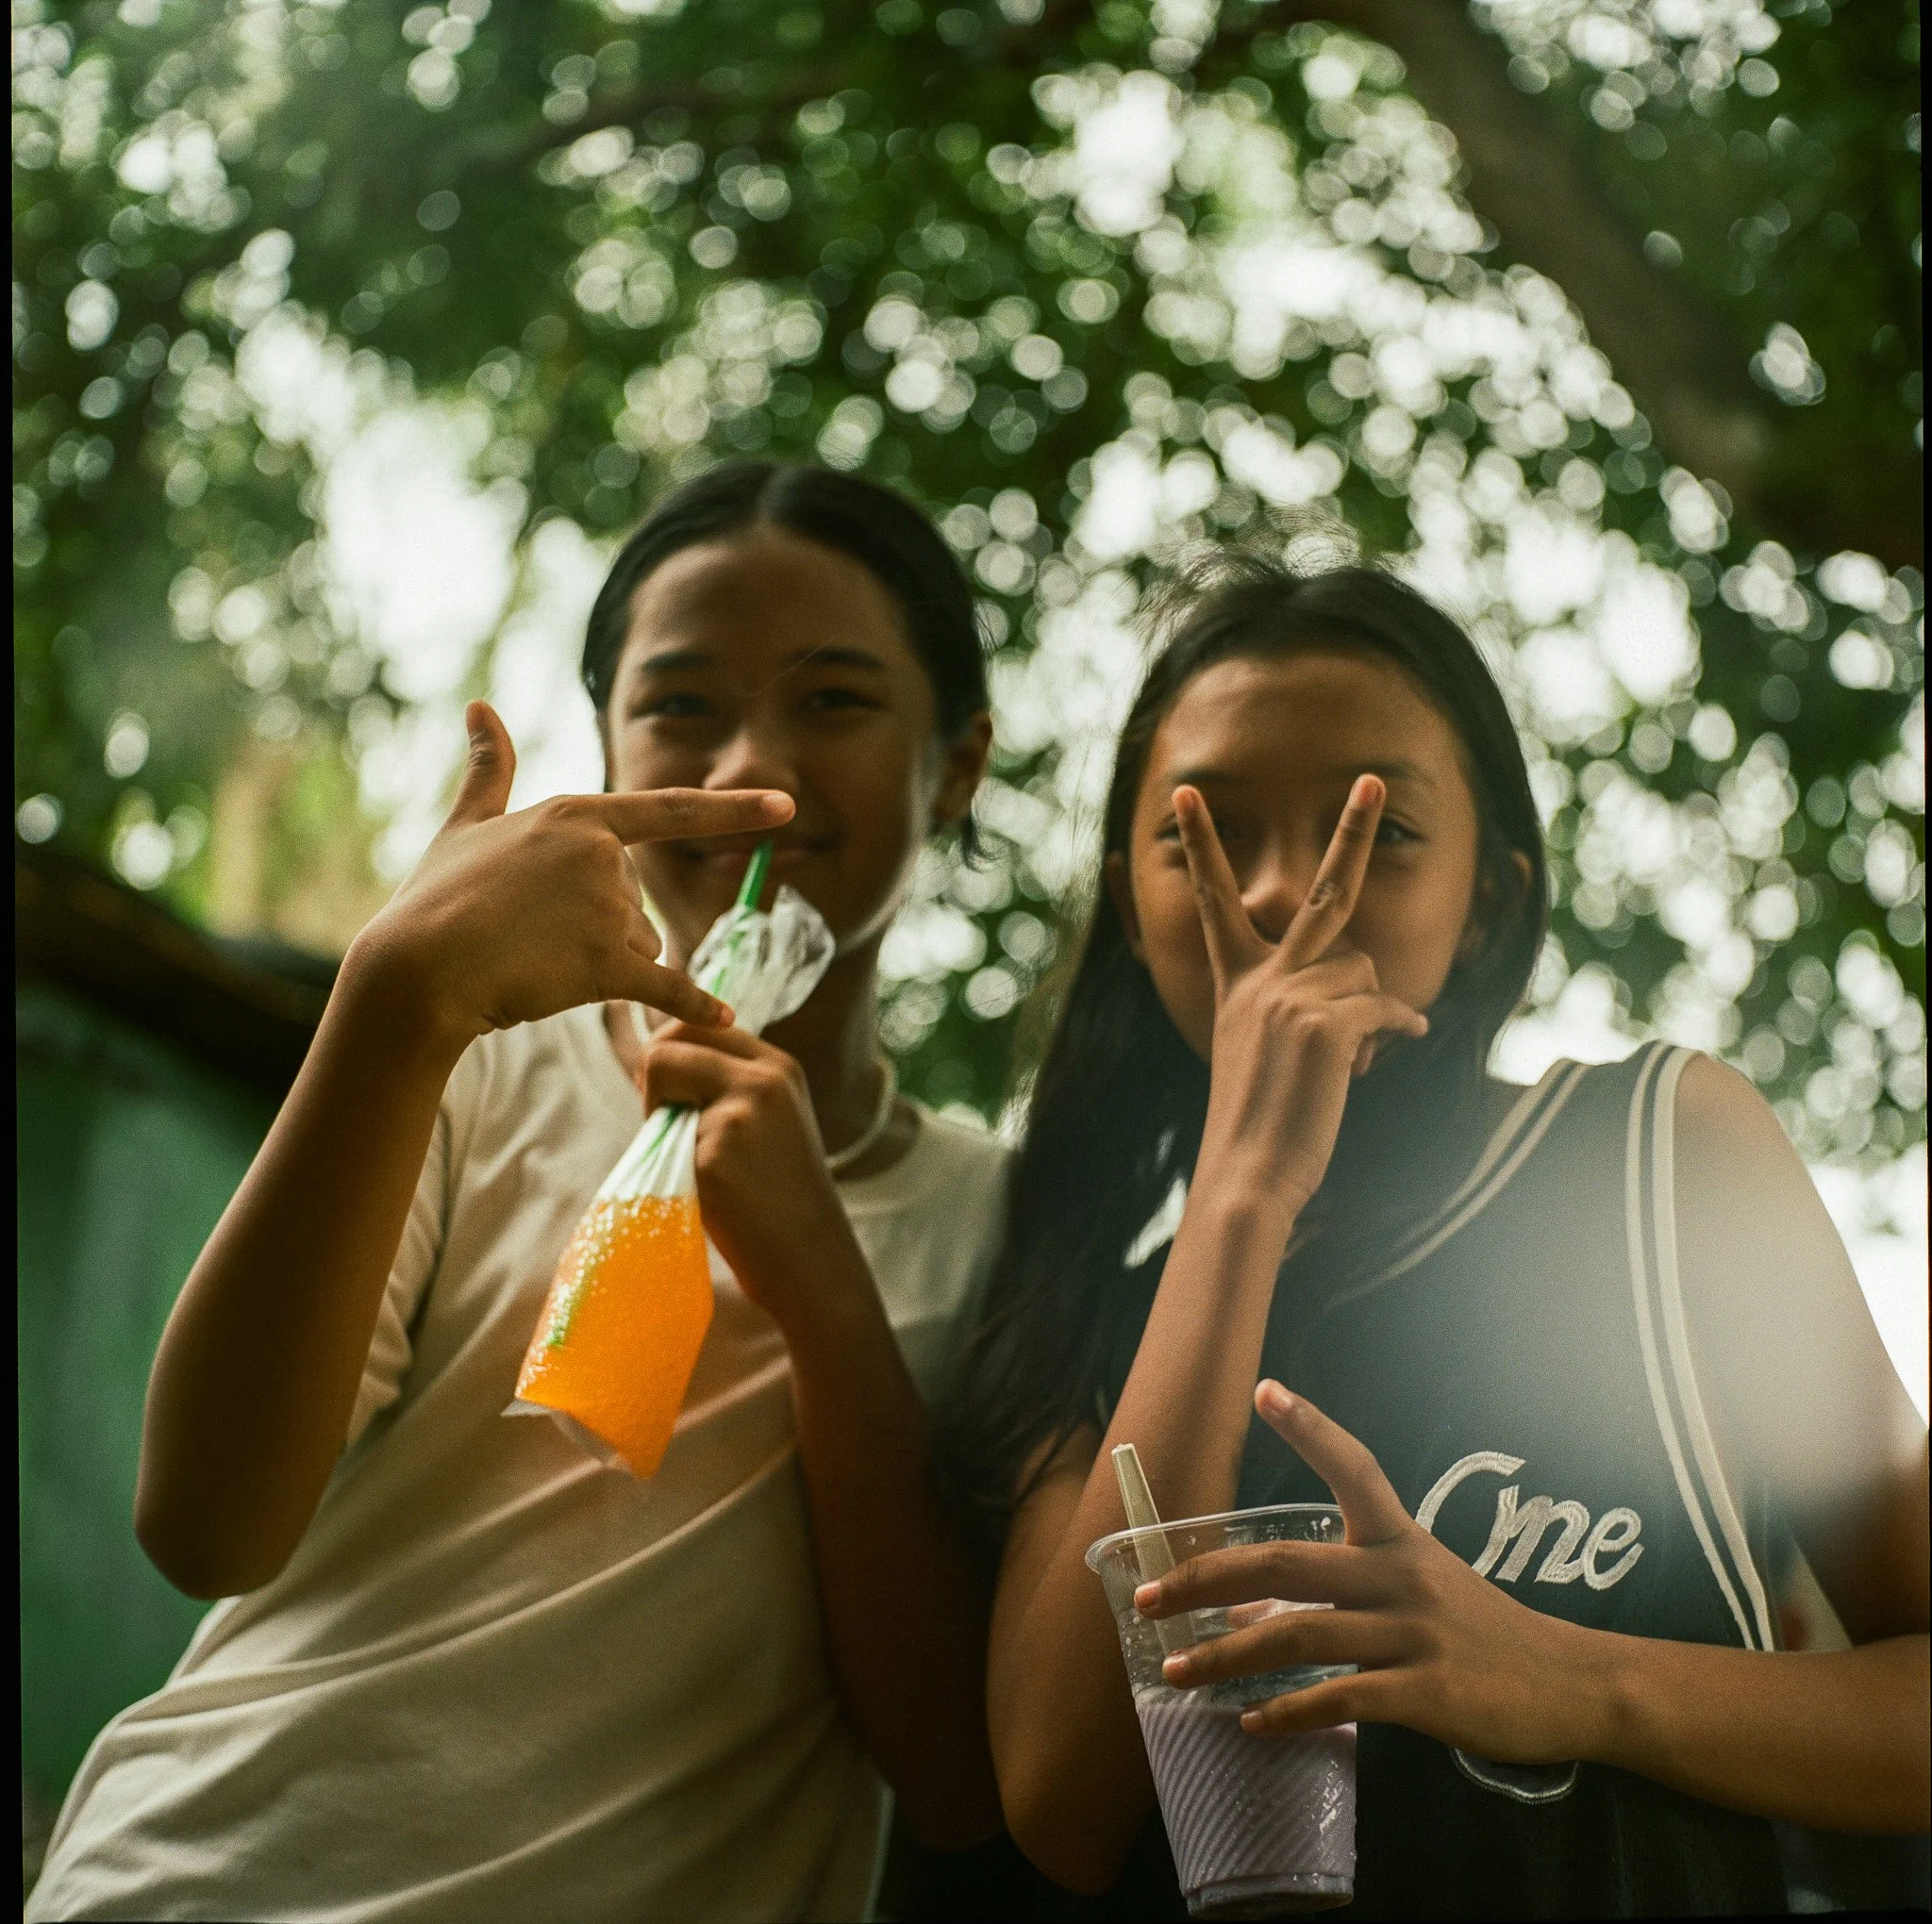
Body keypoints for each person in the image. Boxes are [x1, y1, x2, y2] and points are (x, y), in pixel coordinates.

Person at [30, 463, 1009, 1922]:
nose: (755, 764)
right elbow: (204, 1526)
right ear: (606, 745)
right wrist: (395, 1001)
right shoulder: (470, 1060)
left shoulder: (1008, 1226)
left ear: (957, 763)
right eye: (681, 704)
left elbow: (954, 1779)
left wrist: (822, 1287)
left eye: (835, 700)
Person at [943, 542, 1929, 1916]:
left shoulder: (1663, 1155)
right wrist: (1241, 1192)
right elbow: (1063, 1805)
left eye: (1379, 832)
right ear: (1131, 902)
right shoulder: (1095, 1306)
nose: (1284, 893)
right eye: (1204, 835)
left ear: (1490, 902)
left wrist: (1573, 1677)